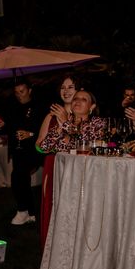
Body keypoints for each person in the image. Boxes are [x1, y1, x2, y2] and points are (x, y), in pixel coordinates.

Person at [35, 75, 78, 248]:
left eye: (71, 87)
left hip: (75, 166)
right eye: (63, 87)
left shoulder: (84, 116)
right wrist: (50, 147)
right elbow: (38, 145)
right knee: (53, 206)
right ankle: (50, 248)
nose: (66, 91)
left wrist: (67, 122)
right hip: (52, 165)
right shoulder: (50, 117)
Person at [0, 79, 44, 225]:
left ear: (29, 90)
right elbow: (10, 128)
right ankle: (31, 212)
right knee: (22, 178)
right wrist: (2, 125)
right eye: (16, 92)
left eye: (22, 91)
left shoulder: (38, 107)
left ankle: (22, 210)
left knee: (17, 176)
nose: (19, 95)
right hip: (18, 149)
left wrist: (31, 134)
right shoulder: (13, 107)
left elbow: (44, 129)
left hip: (33, 149)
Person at [39, 89, 105, 153]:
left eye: (83, 99)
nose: (78, 101)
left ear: (92, 107)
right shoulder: (67, 121)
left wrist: (65, 123)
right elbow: (44, 147)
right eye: (75, 99)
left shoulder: (98, 123)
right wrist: (59, 128)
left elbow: (83, 146)